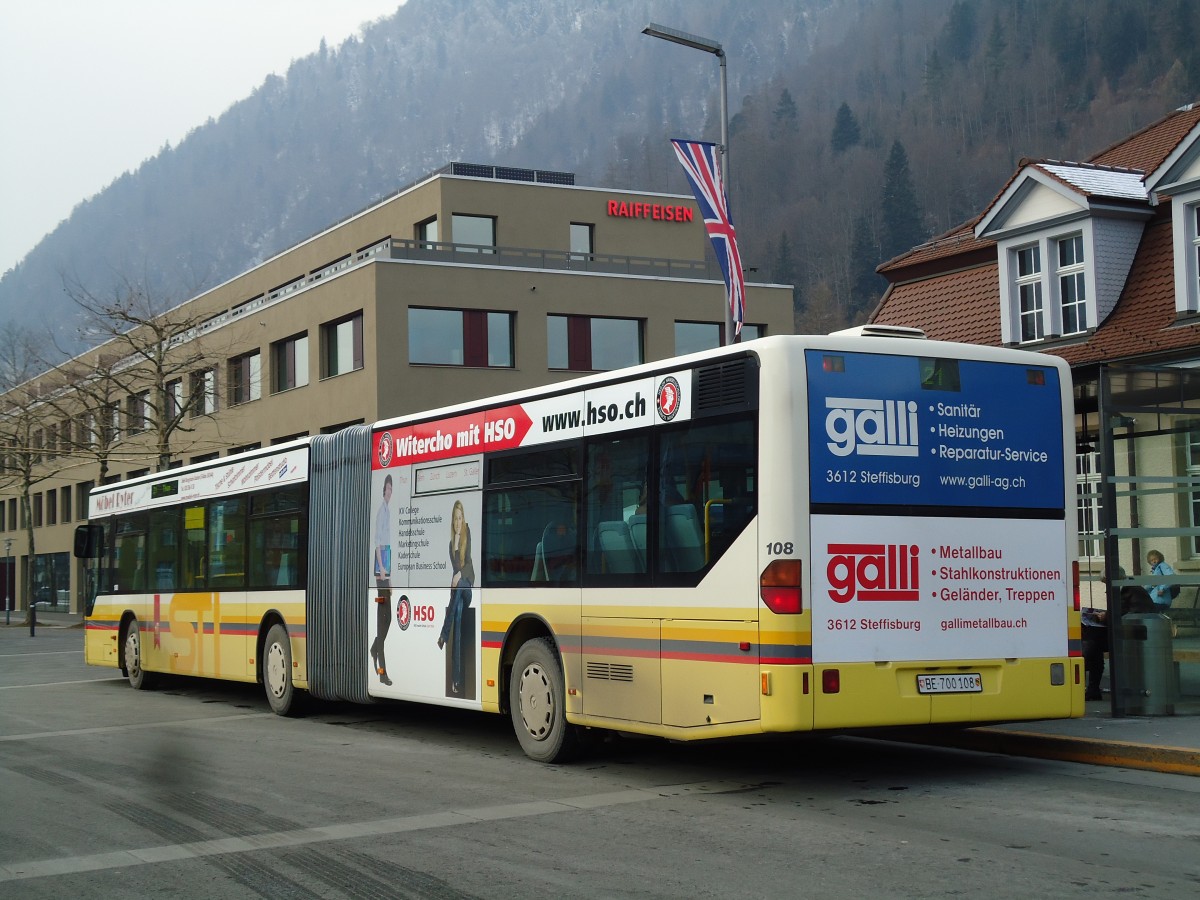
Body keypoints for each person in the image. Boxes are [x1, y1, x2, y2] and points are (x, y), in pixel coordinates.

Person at [437, 499, 474, 695]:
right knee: (458, 618)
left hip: (467, 587)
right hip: (458, 593)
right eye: (455, 518)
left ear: (463, 518)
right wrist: (455, 578)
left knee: (459, 588)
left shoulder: (468, 535)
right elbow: (454, 571)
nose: (458, 521)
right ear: (452, 521)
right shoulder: (451, 544)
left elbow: (468, 567)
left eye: (460, 517)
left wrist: (458, 576)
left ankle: (444, 632)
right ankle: (456, 681)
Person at [370, 475, 393, 686]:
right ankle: (382, 673)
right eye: (387, 489)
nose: (389, 492)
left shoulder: (388, 510)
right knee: (382, 619)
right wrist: (382, 569)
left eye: (391, 489)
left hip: (386, 562)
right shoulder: (380, 512)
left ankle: (375, 648)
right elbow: (377, 543)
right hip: (381, 565)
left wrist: (390, 573)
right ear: (383, 490)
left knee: (388, 619)